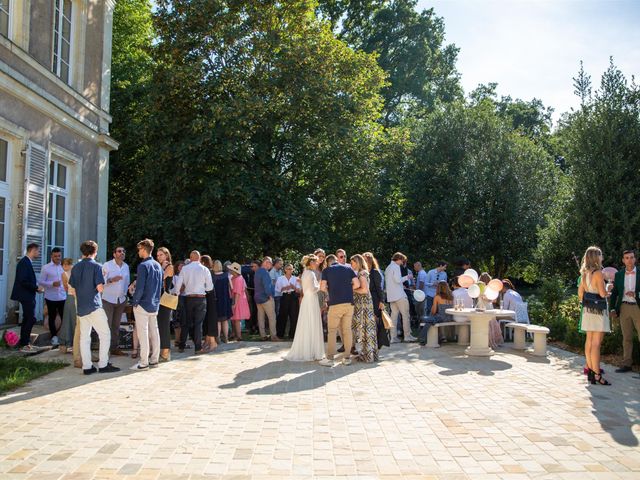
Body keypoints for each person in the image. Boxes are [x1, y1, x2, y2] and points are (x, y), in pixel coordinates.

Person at [69, 240, 119, 374]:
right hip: (95, 305)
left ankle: (87, 366)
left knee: (84, 337)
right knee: (105, 334)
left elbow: (72, 290)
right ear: (95, 252)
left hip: (81, 306)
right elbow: (100, 288)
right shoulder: (97, 266)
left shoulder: (75, 267)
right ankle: (103, 364)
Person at [578, 246, 611, 385]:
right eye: (600, 255)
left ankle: (591, 371)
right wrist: (609, 288)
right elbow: (603, 294)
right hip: (598, 312)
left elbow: (580, 295)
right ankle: (597, 375)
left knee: (589, 342)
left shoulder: (584, 273)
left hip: (587, 311)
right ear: (596, 257)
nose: (602, 257)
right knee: (596, 344)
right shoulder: (598, 273)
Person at [130, 239, 164, 371]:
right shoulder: (158, 265)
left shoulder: (143, 266)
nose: (138, 251)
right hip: (154, 303)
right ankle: (154, 360)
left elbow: (140, 287)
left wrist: (135, 301)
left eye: (139, 249)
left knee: (143, 333)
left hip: (143, 303)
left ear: (144, 249)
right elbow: (160, 286)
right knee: (154, 332)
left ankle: (144, 362)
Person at [320, 254, 359, 366]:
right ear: (337, 261)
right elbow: (356, 284)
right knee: (347, 330)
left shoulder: (326, 271)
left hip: (335, 304)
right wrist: (346, 289)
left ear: (329, 262)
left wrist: (330, 289)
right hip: (349, 303)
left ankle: (330, 359)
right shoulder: (348, 268)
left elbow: (322, 288)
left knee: (332, 331)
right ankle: (347, 358)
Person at [286, 255, 326, 361]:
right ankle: (312, 351)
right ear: (311, 263)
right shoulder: (311, 274)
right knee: (312, 322)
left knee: (306, 323)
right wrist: (321, 284)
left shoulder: (305, 273)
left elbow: (305, 287)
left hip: (306, 300)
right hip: (311, 299)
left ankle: (307, 350)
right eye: (316, 262)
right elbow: (313, 289)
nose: (317, 263)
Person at [609, 249, 639, 373]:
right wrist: (612, 308)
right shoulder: (619, 274)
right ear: (623, 260)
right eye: (627, 258)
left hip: (638, 307)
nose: (629, 260)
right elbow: (615, 293)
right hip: (624, 308)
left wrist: (636, 294)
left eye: (631, 257)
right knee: (626, 338)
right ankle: (627, 364)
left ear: (635, 259)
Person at [179, 251, 214, 354]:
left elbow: (178, 285)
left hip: (188, 298)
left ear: (190, 257)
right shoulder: (205, 269)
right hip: (200, 298)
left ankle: (181, 345)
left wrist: (176, 293)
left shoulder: (185, 269)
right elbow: (210, 287)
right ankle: (198, 348)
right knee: (198, 323)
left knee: (187, 322)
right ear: (199, 258)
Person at [12, 243, 42, 352]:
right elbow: (23, 280)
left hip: (28, 294)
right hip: (25, 295)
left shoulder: (27, 262)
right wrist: (36, 288)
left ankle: (25, 342)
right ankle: (24, 343)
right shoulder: (24, 262)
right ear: (33, 250)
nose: (38, 253)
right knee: (30, 318)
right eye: (38, 251)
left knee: (28, 318)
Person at [101, 246, 130, 357]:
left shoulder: (126, 266)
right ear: (114, 254)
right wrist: (112, 280)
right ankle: (104, 351)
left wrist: (126, 295)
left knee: (116, 326)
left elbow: (126, 283)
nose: (122, 253)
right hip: (108, 299)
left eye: (123, 251)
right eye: (119, 251)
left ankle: (114, 348)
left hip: (121, 300)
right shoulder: (107, 265)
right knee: (106, 326)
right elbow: (101, 282)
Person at [350, 254, 378, 362]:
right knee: (365, 329)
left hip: (363, 305)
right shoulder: (362, 273)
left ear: (357, 262)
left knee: (365, 329)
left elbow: (364, 290)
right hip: (363, 304)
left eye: (352, 262)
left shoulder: (362, 273)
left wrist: (351, 289)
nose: (351, 265)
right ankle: (367, 354)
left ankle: (367, 355)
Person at [384, 252, 417, 343]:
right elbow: (398, 280)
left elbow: (392, 282)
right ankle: (407, 336)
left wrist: (400, 285)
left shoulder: (388, 268)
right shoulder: (396, 267)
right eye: (402, 261)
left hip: (391, 296)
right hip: (399, 295)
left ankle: (393, 337)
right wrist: (408, 277)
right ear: (398, 259)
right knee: (406, 315)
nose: (402, 263)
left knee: (393, 317)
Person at [39, 247, 66, 346]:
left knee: (64, 317)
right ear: (51, 256)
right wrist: (52, 284)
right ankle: (54, 336)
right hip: (51, 296)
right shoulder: (46, 268)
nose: (57, 258)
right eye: (55, 256)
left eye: (59, 256)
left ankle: (62, 336)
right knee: (52, 316)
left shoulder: (63, 267)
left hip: (62, 296)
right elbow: (41, 281)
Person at [58, 258, 81, 367]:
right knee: (74, 320)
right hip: (77, 297)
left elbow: (66, 287)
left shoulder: (64, 274)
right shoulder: (76, 271)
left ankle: (66, 342)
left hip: (70, 297)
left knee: (68, 320)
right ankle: (73, 344)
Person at [363, 252, 388, 349]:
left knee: (375, 324)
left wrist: (382, 301)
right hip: (366, 300)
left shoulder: (375, 272)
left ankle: (376, 344)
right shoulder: (364, 272)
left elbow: (379, 288)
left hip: (374, 300)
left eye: (365, 259)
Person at [156, 247, 176, 362]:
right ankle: (161, 349)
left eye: (161, 255)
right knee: (159, 325)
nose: (159, 257)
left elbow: (159, 279)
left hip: (165, 299)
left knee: (164, 325)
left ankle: (165, 351)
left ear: (167, 255)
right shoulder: (160, 266)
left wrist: (162, 268)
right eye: (158, 255)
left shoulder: (169, 267)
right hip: (158, 299)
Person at [254, 256, 280, 341]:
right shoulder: (265, 273)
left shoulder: (257, 272)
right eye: (270, 263)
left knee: (260, 317)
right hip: (266, 298)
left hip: (258, 298)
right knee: (272, 317)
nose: (271, 265)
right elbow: (267, 286)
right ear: (266, 262)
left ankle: (263, 336)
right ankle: (273, 336)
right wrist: (270, 296)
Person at [275, 263, 300, 339]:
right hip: (284, 296)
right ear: (285, 270)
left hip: (293, 297)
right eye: (288, 269)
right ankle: (280, 334)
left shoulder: (295, 278)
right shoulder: (280, 278)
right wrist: (286, 287)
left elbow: (298, 290)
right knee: (282, 315)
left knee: (294, 316)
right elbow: (278, 290)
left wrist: (293, 287)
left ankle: (292, 335)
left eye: (291, 269)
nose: (290, 270)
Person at [200, 255, 219, 349]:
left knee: (211, 318)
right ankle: (208, 340)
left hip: (210, 297)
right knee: (207, 319)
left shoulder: (208, 272)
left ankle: (212, 341)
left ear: (203, 262)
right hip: (209, 296)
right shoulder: (210, 271)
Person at [212, 259, 232, 343]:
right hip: (225, 299)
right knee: (225, 320)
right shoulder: (226, 275)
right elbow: (231, 287)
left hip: (216, 300)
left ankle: (218, 338)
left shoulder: (212, 277)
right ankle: (226, 338)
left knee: (218, 320)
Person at [229, 262, 249, 341]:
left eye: (231, 269)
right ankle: (235, 334)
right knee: (233, 318)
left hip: (238, 300)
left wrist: (235, 303)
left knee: (237, 319)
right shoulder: (235, 278)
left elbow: (237, 293)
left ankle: (239, 336)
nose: (230, 271)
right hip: (237, 299)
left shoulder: (238, 279)